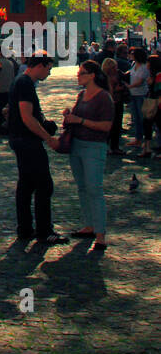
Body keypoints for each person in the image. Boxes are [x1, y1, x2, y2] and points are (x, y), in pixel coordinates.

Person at [8, 53, 69, 245]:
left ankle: (25, 228)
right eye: (49, 69)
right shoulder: (25, 83)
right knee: (43, 185)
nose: (49, 74)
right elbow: (27, 117)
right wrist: (48, 138)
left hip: (19, 138)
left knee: (26, 185)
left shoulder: (20, 82)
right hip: (27, 140)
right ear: (40, 66)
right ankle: (44, 230)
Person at [62, 58, 114, 251]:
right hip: (76, 145)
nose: (78, 76)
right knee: (82, 187)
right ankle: (89, 225)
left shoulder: (103, 98)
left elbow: (106, 126)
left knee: (94, 188)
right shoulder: (82, 95)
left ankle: (100, 234)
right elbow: (76, 118)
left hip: (94, 146)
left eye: (81, 73)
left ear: (92, 75)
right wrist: (69, 116)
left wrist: (81, 120)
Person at [125, 45, 150, 149]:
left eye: (132, 54)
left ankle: (145, 139)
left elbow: (140, 81)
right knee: (135, 117)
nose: (130, 55)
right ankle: (138, 138)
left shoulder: (144, 67)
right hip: (133, 93)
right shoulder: (133, 64)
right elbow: (130, 73)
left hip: (141, 94)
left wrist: (129, 86)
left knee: (141, 117)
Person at [101, 57, 126, 155]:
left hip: (118, 101)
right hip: (109, 103)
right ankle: (106, 146)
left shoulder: (118, 75)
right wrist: (116, 89)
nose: (115, 69)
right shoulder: (103, 78)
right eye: (113, 67)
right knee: (108, 125)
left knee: (117, 125)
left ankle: (115, 146)